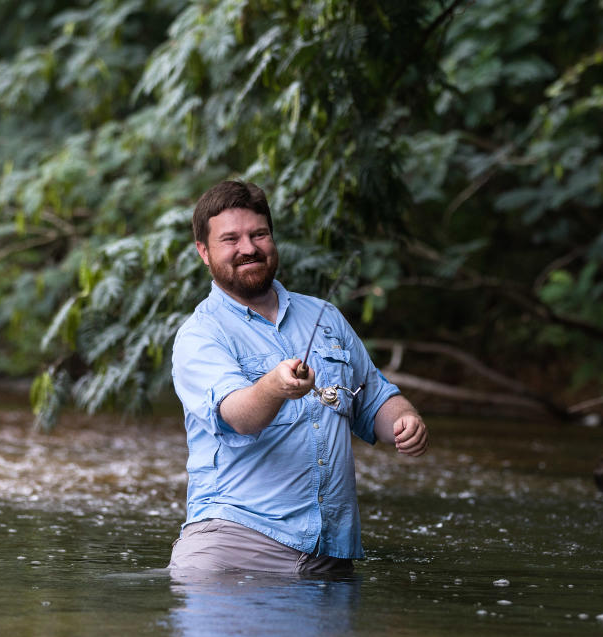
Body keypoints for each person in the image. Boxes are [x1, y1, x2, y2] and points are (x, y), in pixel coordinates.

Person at [168, 180, 428, 576]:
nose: (248, 248)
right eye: (230, 239)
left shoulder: (325, 317)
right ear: (204, 252)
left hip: (329, 555)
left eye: (259, 234)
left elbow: (374, 398)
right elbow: (238, 415)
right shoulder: (200, 335)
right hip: (233, 547)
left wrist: (404, 421)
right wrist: (273, 386)